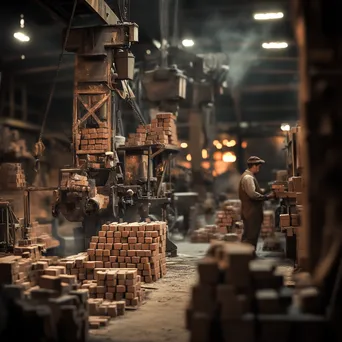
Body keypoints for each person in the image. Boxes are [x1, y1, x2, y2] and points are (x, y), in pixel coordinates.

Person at [239, 156, 274, 254]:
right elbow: (253, 195)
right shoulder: (248, 177)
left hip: (249, 211)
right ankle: (246, 257)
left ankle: (245, 257)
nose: (259, 168)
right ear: (253, 166)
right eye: (258, 166)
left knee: (249, 235)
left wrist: (262, 192)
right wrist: (267, 197)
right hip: (251, 212)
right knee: (251, 236)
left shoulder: (249, 176)